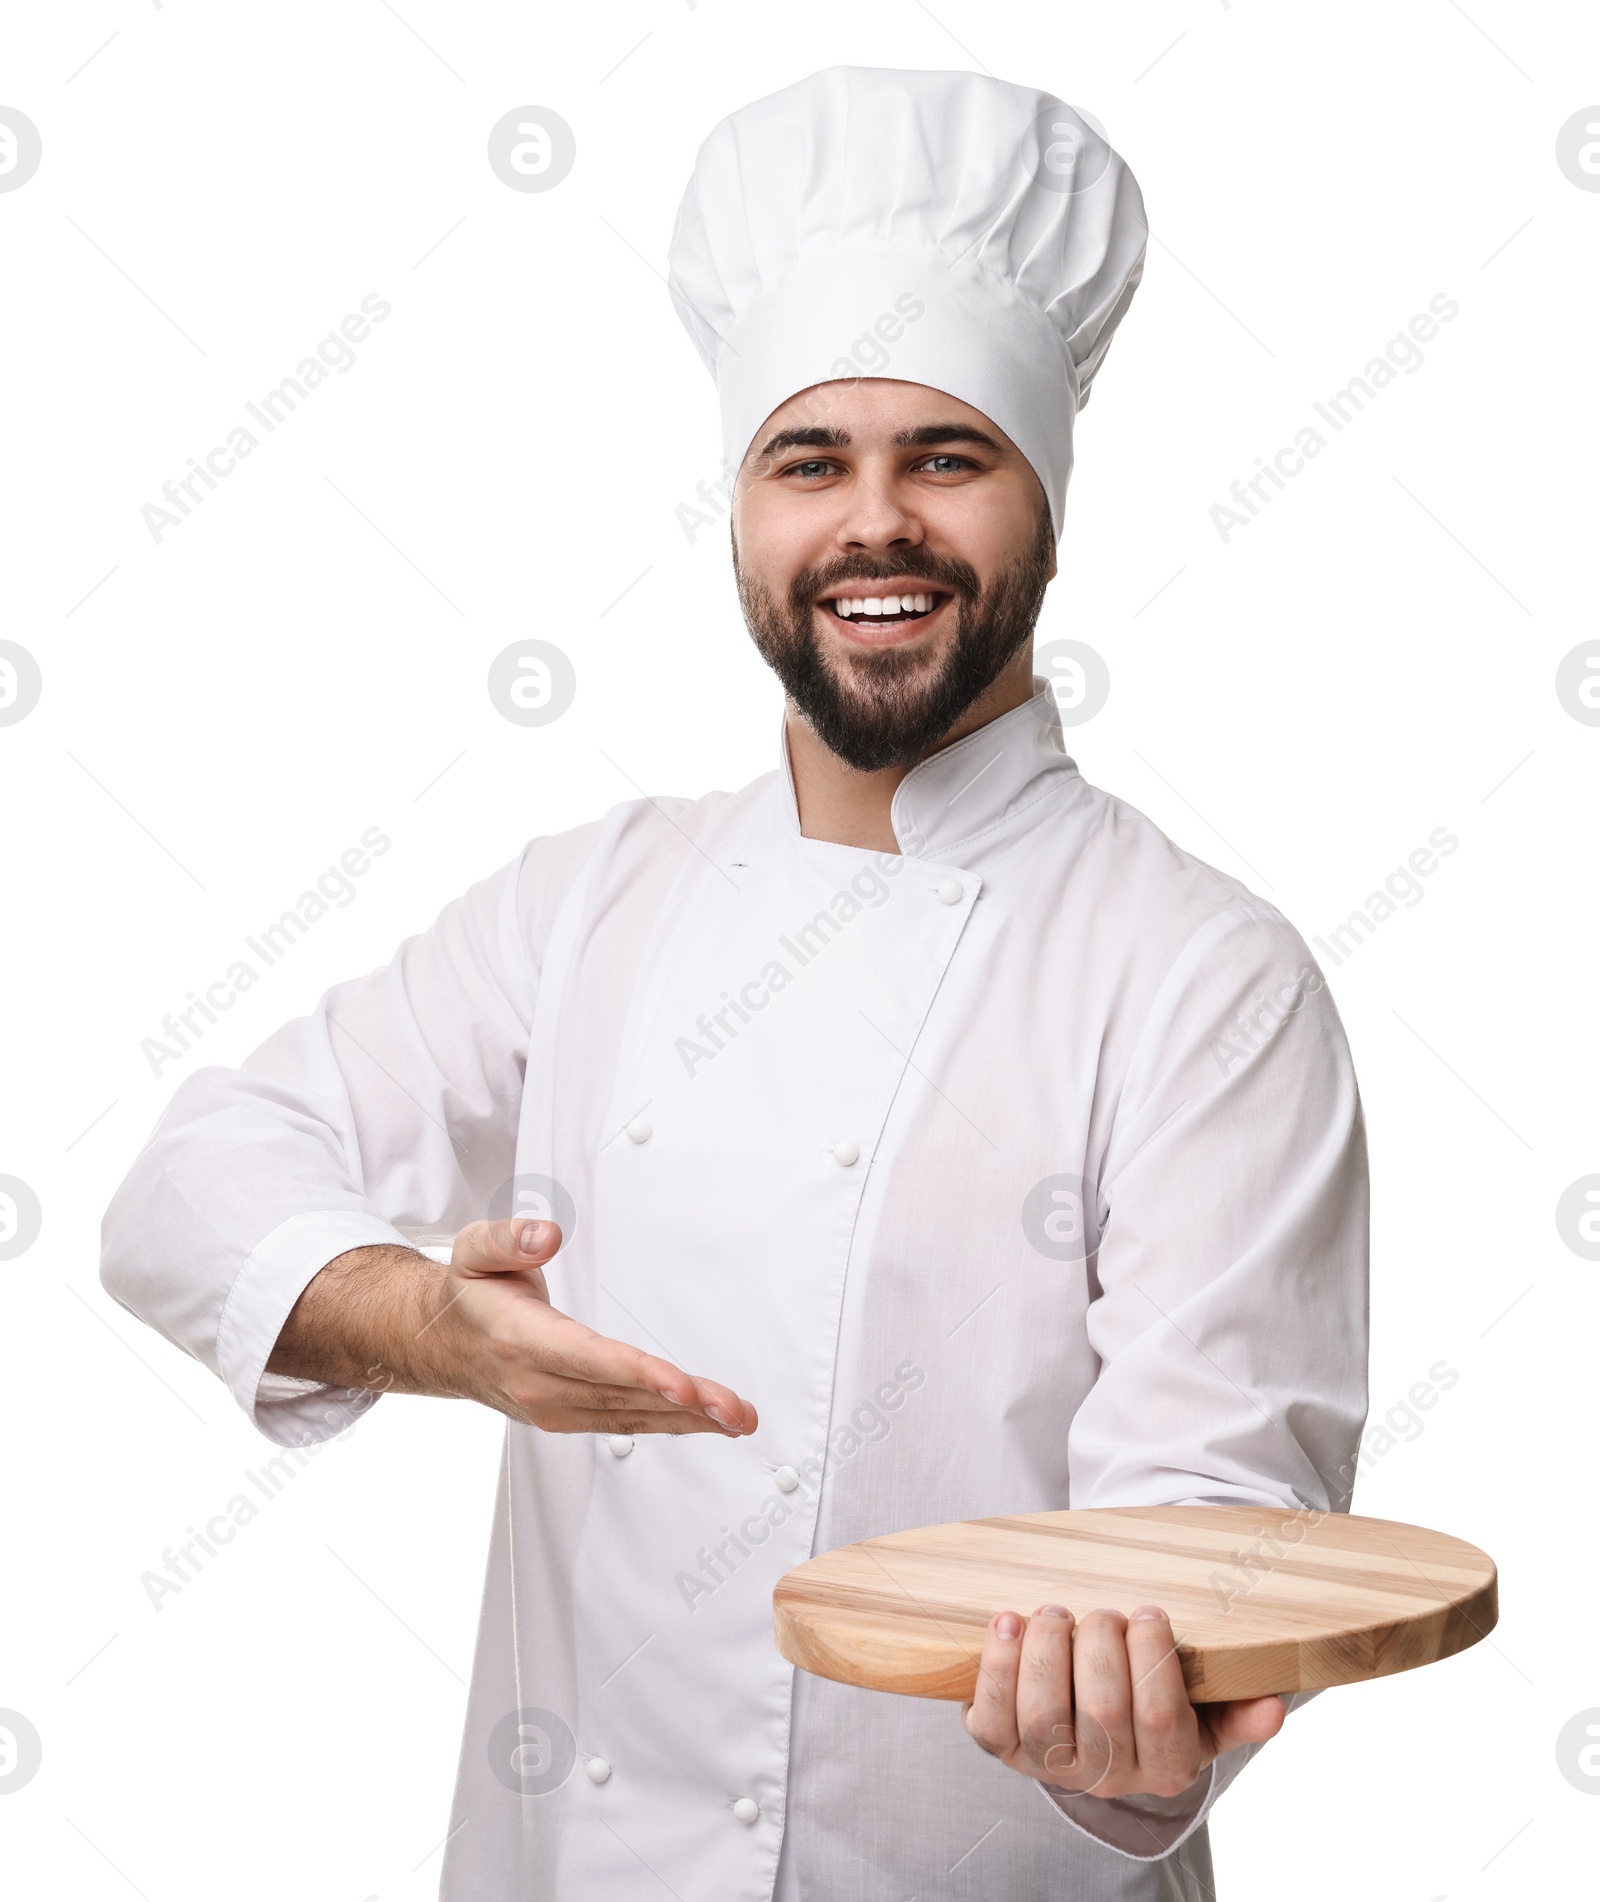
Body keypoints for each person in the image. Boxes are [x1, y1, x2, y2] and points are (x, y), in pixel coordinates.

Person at [101, 66, 1368, 1901]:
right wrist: (428, 1325)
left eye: (946, 455)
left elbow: (1211, 1520)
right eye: (809, 461)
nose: (876, 525)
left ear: (1051, 506)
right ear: (740, 514)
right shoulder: (596, 899)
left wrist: (1143, 1691)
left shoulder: (1203, 978)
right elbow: (184, 1184)